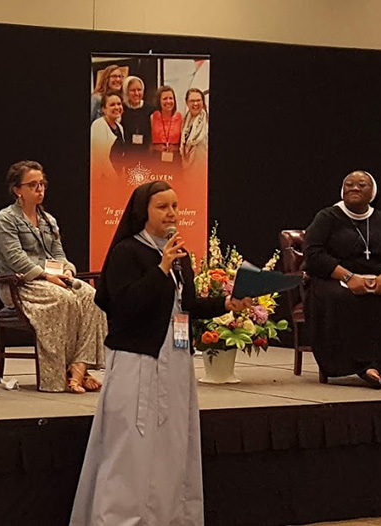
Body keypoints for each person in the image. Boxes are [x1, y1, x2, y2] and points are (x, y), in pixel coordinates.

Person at [70, 181, 249, 525]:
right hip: (138, 358)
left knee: (172, 444)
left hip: (177, 356)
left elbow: (188, 305)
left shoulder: (176, 252)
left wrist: (228, 302)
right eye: (162, 207)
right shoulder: (127, 251)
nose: (172, 214)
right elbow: (124, 306)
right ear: (143, 212)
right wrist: (161, 268)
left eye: (175, 206)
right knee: (132, 447)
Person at [0, 161, 107, 393]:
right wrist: (45, 276)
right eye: (32, 185)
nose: (39, 189)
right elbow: (17, 260)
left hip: (52, 280)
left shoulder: (48, 220)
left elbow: (58, 253)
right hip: (20, 285)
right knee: (64, 299)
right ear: (17, 190)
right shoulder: (6, 219)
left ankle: (79, 368)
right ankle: (57, 375)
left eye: (42, 184)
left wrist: (66, 270)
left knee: (93, 296)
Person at [304, 171, 381, 387]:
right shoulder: (327, 217)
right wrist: (349, 277)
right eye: (349, 184)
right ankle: (360, 366)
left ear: (373, 192)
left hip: (379, 280)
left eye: (362, 184)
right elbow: (313, 255)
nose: (354, 188)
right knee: (343, 299)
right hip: (333, 279)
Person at [90, 91, 125, 181]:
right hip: (103, 180)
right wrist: (115, 181)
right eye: (112, 105)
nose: (117, 107)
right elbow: (101, 159)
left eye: (119, 104)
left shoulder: (120, 127)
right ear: (104, 109)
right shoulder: (98, 125)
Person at [150, 85, 183, 164]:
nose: (168, 101)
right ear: (159, 101)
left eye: (171, 98)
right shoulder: (152, 117)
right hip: (156, 158)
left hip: (175, 158)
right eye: (165, 99)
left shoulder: (181, 117)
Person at [120, 76, 152, 155]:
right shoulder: (122, 110)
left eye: (139, 90)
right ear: (126, 91)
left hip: (146, 154)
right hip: (127, 155)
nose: (136, 93)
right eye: (133, 90)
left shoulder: (150, 109)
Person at [180, 88, 209, 172]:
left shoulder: (207, 122)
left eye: (198, 100)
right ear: (186, 103)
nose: (195, 103)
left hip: (203, 170)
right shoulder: (184, 121)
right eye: (192, 101)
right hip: (187, 170)